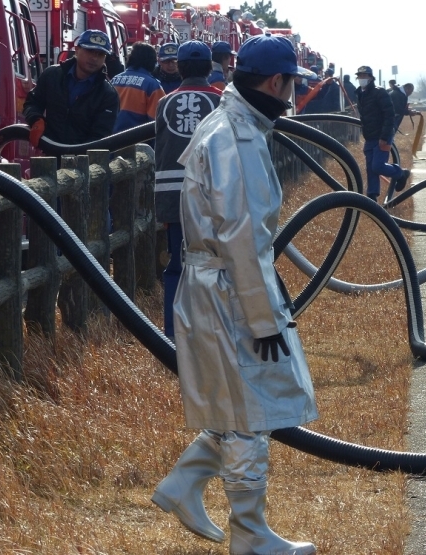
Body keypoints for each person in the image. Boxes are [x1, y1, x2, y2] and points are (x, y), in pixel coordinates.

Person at [153, 33, 317, 554]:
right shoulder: (237, 138)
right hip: (229, 290)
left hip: (219, 285)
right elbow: (241, 236)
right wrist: (262, 318)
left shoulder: (230, 124)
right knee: (251, 411)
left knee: (237, 403)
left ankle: (184, 484)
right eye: (293, 84)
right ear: (276, 82)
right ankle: (250, 537)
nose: (293, 94)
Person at [152, 40, 221, 343]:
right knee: (217, 264)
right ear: (210, 67)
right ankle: (213, 334)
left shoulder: (165, 103)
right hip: (213, 198)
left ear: (178, 67)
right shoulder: (222, 103)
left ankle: (173, 335)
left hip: (173, 197)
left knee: (178, 266)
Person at [23, 29, 119, 147]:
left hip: (84, 161)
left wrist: (76, 156)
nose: (94, 58)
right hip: (48, 155)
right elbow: (32, 103)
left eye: (100, 54)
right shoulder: (51, 75)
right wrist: (36, 120)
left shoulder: (108, 94)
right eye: (90, 51)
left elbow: (101, 136)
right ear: (77, 50)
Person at [355, 65, 410, 201]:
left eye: (365, 76)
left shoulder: (379, 93)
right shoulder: (360, 94)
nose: (362, 79)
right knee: (370, 168)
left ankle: (400, 173)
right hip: (370, 136)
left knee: (378, 166)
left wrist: (384, 136)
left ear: (371, 77)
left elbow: (389, 115)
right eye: (360, 76)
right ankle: (372, 197)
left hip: (382, 135)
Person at [111, 42, 165, 133]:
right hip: (138, 142)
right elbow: (158, 123)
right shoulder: (152, 85)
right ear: (151, 61)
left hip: (111, 141)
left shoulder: (115, 79)